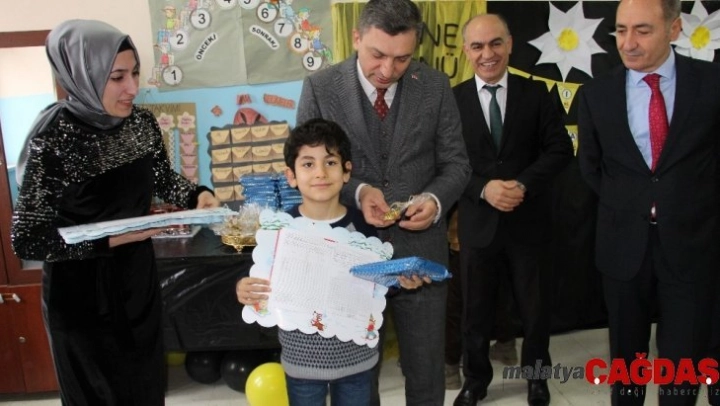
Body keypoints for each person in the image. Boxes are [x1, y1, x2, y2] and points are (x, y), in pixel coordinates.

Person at [9, 19, 220, 405]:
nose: (133, 88)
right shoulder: (54, 137)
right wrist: (112, 239)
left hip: (135, 283)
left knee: (144, 388)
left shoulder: (141, 124)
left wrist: (197, 195)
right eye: (118, 77)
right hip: (79, 295)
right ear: (82, 75)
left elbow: (161, 178)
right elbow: (28, 239)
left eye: (135, 73)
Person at [295, 0, 471, 404]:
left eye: (402, 58)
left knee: (426, 373)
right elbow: (306, 168)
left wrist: (434, 200)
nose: (388, 70)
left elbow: (457, 164)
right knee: (357, 381)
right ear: (356, 37)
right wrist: (358, 191)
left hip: (421, 258)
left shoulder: (435, 86)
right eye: (378, 54)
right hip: (349, 258)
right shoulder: (320, 88)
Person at [577, 0, 720, 404]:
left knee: (682, 366)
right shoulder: (596, 95)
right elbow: (591, 167)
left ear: (674, 29)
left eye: (642, 30)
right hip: (623, 248)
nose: (628, 43)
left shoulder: (711, 84)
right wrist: (632, 204)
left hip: (693, 246)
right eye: (621, 30)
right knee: (626, 363)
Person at [236, 118, 421, 405]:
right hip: (302, 362)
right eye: (308, 164)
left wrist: (399, 281)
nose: (320, 173)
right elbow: (259, 282)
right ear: (291, 176)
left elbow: (375, 286)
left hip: (357, 360)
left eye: (330, 162)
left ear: (347, 171)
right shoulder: (280, 230)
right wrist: (244, 289)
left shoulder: (362, 227)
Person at [452, 13, 573, 406]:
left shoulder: (535, 93)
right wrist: (483, 188)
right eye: (477, 46)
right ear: (466, 51)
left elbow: (560, 149)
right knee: (474, 313)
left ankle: (536, 378)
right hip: (477, 224)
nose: (487, 53)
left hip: (529, 223)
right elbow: (446, 163)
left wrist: (521, 184)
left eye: (495, 43)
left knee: (535, 311)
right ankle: (475, 381)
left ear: (509, 45)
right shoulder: (452, 101)